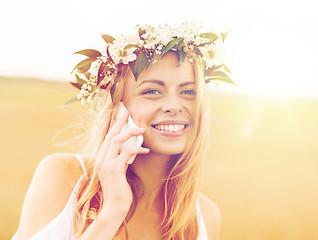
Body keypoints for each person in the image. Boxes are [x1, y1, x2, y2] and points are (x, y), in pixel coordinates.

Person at [12, 22, 234, 240]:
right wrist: (112, 212)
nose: (174, 106)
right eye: (153, 91)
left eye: (188, 92)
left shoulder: (205, 216)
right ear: (118, 106)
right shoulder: (64, 177)